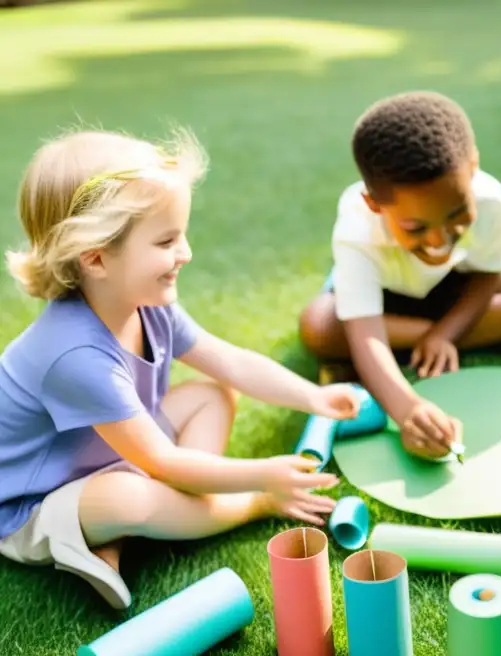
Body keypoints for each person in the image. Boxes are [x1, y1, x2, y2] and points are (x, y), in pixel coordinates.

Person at [0, 129, 361, 611]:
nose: (185, 253)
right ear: (95, 258)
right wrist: (261, 483)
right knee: (127, 499)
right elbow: (163, 462)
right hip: (35, 503)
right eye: (167, 240)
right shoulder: (74, 355)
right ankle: (200, 513)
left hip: (107, 456)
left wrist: (311, 397)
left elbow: (228, 362)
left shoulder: (145, 300)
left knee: (214, 394)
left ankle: (143, 528)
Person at [298, 91, 501, 460]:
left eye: (456, 213)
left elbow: (489, 275)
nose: (439, 239)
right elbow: (365, 332)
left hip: (450, 289)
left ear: (474, 168)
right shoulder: (357, 223)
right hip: (385, 303)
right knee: (319, 327)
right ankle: (492, 338)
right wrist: (408, 409)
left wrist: (446, 334)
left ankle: (436, 343)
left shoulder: (490, 198)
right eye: (415, 227)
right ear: (374, 204)